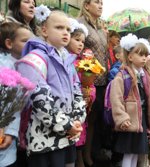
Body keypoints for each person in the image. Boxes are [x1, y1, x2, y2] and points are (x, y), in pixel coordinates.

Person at [16, 6, 86, 167]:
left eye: (68, 29)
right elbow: (40, 100)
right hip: (44, 139)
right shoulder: (35, 58)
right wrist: (67, 126)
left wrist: (77, 120)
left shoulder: (68, 60)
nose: (65, 32)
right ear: (44, 30)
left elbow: (77, 92)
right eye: (59, 27)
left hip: (67, 136)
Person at [110, 34, 150, 167]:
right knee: (129, 152)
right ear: (130, 56)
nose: (144, 58)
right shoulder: (122, 75)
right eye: (140, 55)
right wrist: (122, 117)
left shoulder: (145, 76)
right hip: (130, 120)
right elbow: (116, 99)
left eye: (145, 55)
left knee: (136, 152)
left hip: (141, 119)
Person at [78, 0, 109, 165]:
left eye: (102, 3)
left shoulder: (100, 28)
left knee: (94, 120)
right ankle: (78, 158)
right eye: (96, 2)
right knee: (82, 119)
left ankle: (89, 154)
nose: (100, 5)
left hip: (101, 80)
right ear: (86, 5)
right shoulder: (79, 24)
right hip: (85, 80)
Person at [0, 22, 33, 167]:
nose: (30, 45)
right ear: (9, 43)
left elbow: (15, 106)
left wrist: (11, 131)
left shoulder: (23, 65)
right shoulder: (6, 66)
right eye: (26, 42)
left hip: (8, 137)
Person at [66, 18, 90, 167]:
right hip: (67, 108)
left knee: (79, 137)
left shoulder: (83, 62)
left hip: (79, 106)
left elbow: (88, 83)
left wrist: (89, 95)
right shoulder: (68, 61)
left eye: (82, 41)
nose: (80, 44)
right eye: (77, 40)